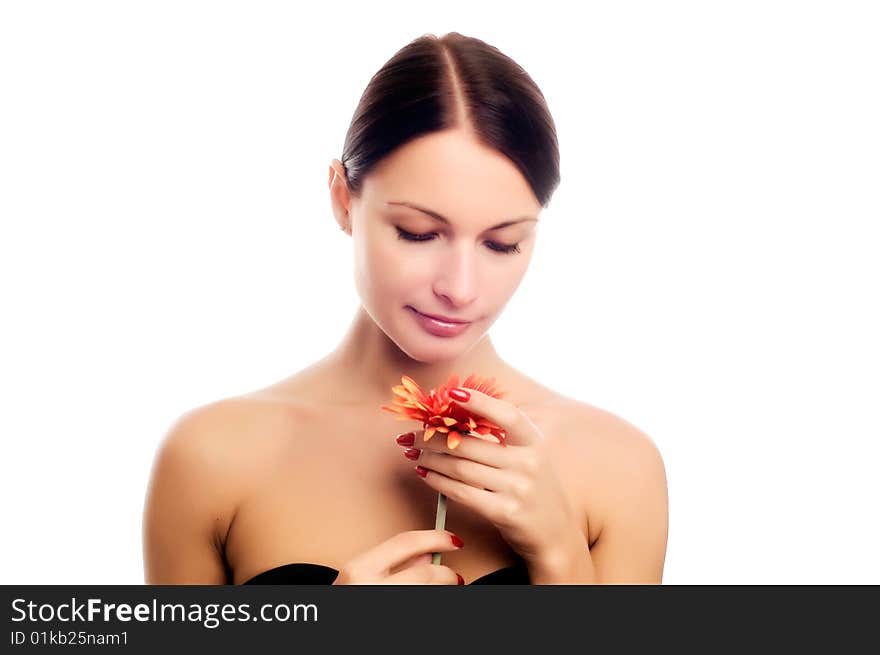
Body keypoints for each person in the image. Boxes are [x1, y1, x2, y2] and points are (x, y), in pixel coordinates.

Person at [142, 31, 668, 585]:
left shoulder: (619, 468)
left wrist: (562, 557)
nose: (461, 289)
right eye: (418, 233)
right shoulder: (211, 460)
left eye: (502, 243)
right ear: (343, 198)